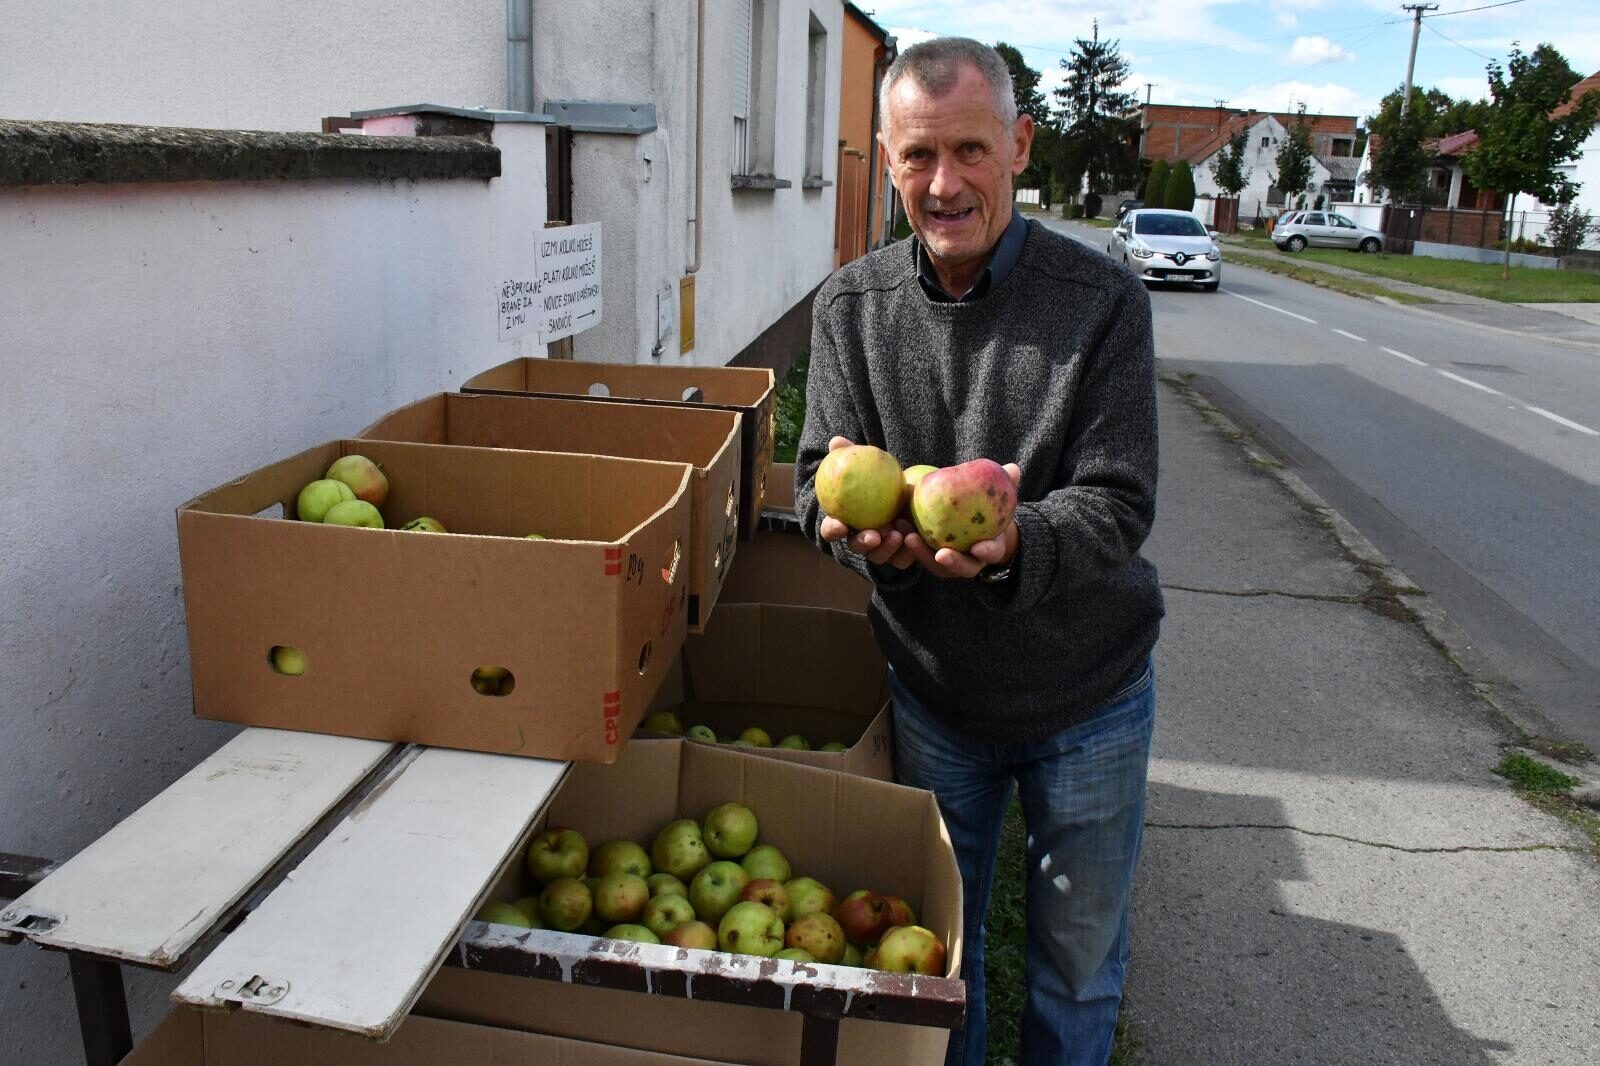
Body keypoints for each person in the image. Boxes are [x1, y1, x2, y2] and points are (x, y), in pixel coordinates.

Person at [793, 37, 1164, 1066]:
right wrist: (851, 536)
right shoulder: (849, 308)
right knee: (943, 965)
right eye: (916, 157)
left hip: (1088, 696)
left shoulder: (1102, 307)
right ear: (884, 157)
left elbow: (1119, 502)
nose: (943, 184)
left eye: (969, 150)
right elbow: (814, 471)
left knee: (1076, 967)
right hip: (935, 695)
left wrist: (1010, 545)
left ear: (1019, 143)